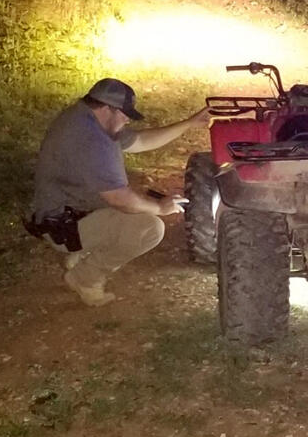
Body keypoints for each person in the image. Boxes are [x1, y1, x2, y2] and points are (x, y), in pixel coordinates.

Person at [27, 78, 210, 306]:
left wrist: (189, 123)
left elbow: (141, 141)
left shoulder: (86, 119)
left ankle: (83, 254)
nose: (127, 119)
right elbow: (120, 200)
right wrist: (161, 207)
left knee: (138, 199)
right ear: (106, 108)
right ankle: (85, 278)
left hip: (70, 211)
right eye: (124, 114)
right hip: (63, 226)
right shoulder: (90, 139)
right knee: (149, 228)